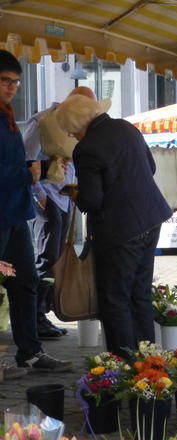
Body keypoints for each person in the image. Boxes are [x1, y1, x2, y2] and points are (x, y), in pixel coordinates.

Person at [55, 94, 172, 360]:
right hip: (151, 218)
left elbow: (92, 200)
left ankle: (123, 362)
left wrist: (78, 195)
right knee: (140, 293)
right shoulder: (126, 127)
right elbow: (150, 167)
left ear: (77, 124)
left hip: (119, 230)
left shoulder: (86, 149)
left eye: (71, 130)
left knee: (115, 298)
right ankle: (147, 359)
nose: (72, 136)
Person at [0, 50, 72, 372]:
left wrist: (40, 169)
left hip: (15, 213)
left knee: (25, 281)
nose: (12, 87)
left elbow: (14, 165)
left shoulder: (8, 117)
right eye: (4, 81)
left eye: (15, 82)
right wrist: (30, 173)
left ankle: (30, 352)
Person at [23, 86, 96, 339]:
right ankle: (35, 318)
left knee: (56, 259)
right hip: (47, 199)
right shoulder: (43, 120)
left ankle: (42, 314)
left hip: (65, 199)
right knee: (47, 258)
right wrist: (40, 197)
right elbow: (27, 161)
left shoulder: (75, 124)